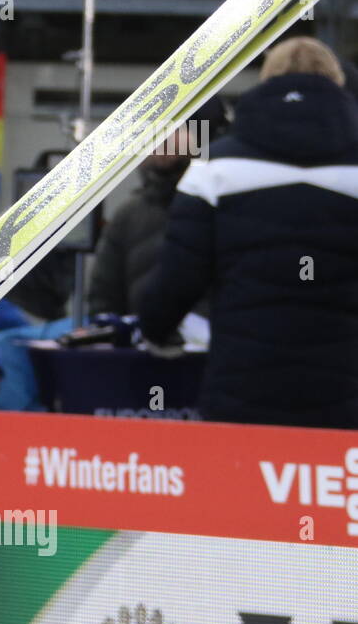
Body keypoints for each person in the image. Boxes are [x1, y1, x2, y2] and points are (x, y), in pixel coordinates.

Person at [140, 37, 358, 429]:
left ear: (263, 83)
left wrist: (155, 332)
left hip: (242, 394)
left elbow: (174, 283)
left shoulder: (213, 169)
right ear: (339, 85)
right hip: (345, 399)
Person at [88, 95, 228, 317]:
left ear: (202, 136)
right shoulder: (128, 215)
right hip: (141, 347)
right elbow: (103, 300)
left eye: (176, 126)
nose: (162, 138)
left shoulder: (223, 207)